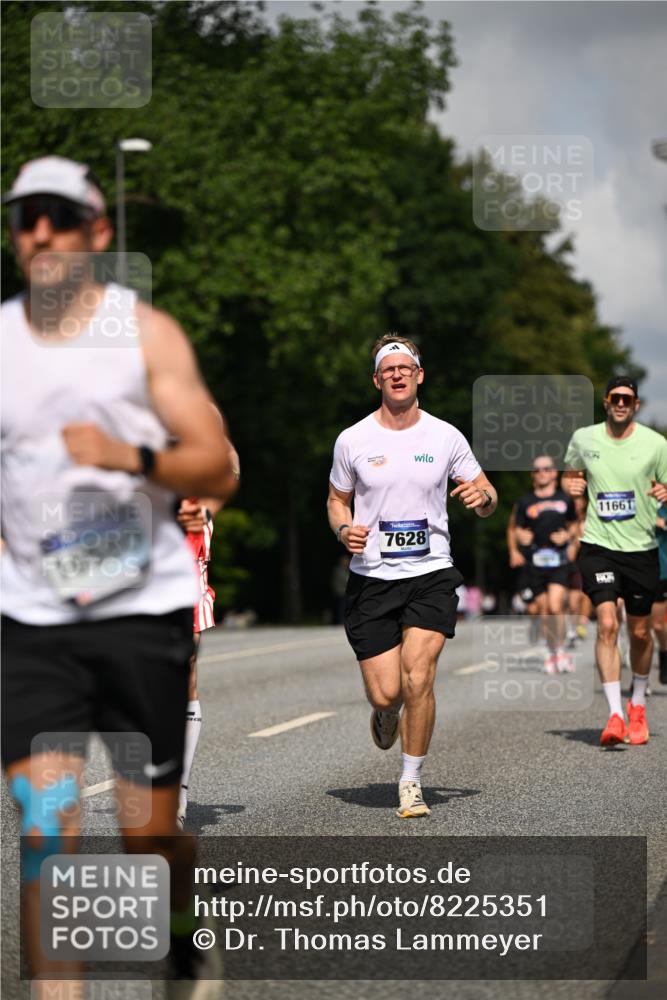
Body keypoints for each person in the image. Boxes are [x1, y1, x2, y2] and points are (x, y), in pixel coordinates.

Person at [0, 156, 238, 998]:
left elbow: (217, 467)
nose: (40, 232)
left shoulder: (146, 334)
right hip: (31, 620)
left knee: (148, 837)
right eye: (26, 216)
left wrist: (131, 456)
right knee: (44, 832)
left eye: (58, 217)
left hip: (142, 611)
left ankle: (179, 935)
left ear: (97, 234)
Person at [327, 334, 497, 819]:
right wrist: (343, 529)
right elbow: (336, 499)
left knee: (418, 676)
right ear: (377, 379)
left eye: (406, 367)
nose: (398, 375)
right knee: (387, 691)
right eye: (389, 369)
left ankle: (410, 780)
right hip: (373, 577)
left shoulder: (445, 436)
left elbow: (487, 494)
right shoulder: (353, 440)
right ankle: (385, 714)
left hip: (431, 572)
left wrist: (481, 499)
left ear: (419, 375)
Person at [562, 376, 667, 746]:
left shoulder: (656, 444)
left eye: (628, 399)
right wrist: (569, 486)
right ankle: (615, 714)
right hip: (598, 545)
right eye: (615, 398)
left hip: (641, 549)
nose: (621, 403)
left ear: (636, 405)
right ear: (606, 402)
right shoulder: (584, 439)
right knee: (607, 623)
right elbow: (571, 477)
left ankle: (637, 703)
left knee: (640, 632)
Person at [508, 457, 578, 673]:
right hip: (534, 562)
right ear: (532, 475)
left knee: (556, 606)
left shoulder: (565, 500)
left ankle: (562, 649)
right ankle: (552, 651)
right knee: (544, 610)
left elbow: (575, 524)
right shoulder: (525, 502)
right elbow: (513, 529)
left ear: (554, 473)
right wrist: (516, 546)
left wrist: (569, 536)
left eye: (546, 469)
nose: (541, 473)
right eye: (536, 469)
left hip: (558, 560)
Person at [651, 504, 667, 684]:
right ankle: (640, 679)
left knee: (656, 625)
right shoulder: (643, 505)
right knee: (648, 626)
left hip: (662, 572)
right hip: (648, 571)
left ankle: (664, 655)